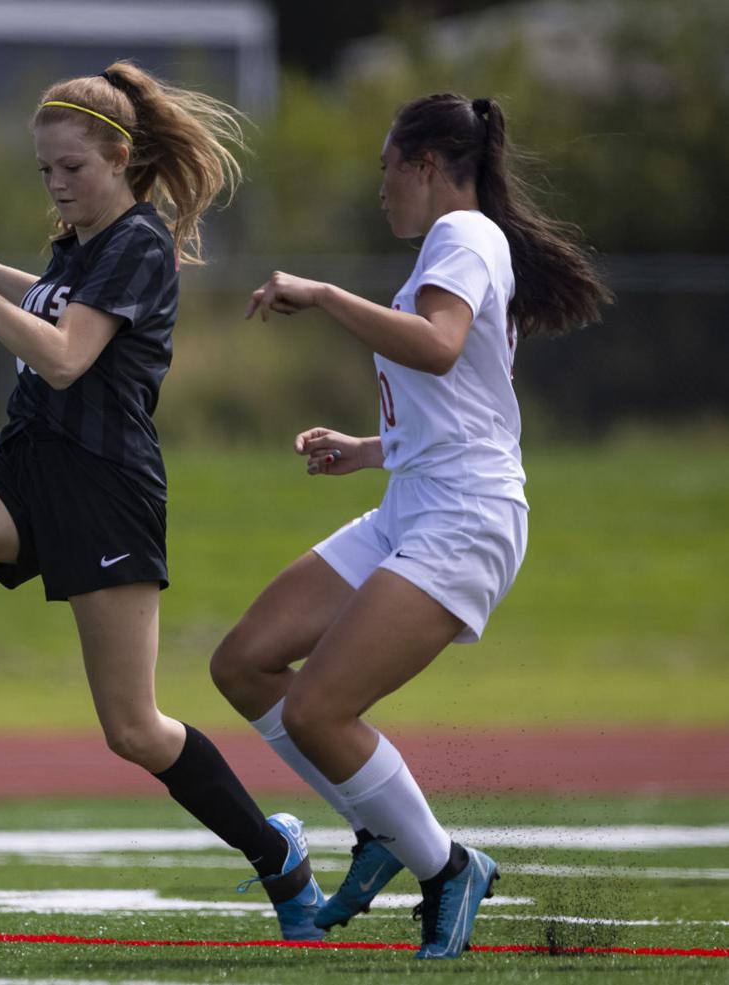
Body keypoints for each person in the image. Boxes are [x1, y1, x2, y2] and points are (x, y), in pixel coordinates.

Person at [0, 62, 328, 940]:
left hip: (104, 494)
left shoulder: (139, 240)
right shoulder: (79, 244)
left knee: (134, 730)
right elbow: (56, 300)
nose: (57, 185)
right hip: (26, 473)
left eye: (73, 169)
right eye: (46, 171)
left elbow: (64, 355)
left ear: (121, 158)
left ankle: (278, 858)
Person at [210, 93, 613, 959]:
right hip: (415, 504)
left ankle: (444, 863)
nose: (380, 185)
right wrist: (367, 448)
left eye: (386, 166)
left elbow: (436, 343)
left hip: (463, 519)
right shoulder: (454, 241)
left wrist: (322, 293)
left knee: (320, 708)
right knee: (243, 662)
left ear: (426, 164)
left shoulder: (463, 236)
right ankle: (387, 831)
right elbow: (456, 393)